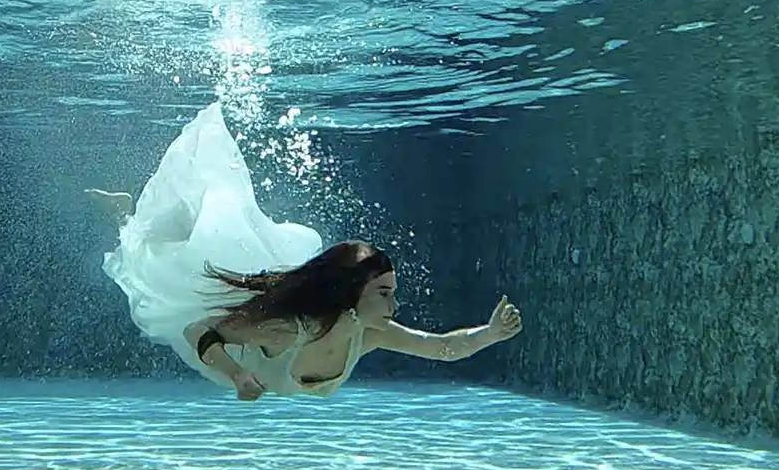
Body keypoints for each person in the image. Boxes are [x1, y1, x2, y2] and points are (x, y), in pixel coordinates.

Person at [92, 102, 523, 399]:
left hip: (261, 359)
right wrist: (238, 375)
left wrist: (489, 334)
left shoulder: (369, 334)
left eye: (391, 291)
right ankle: (125, 216)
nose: (395, 303)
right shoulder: (285, 329)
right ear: (353, 295)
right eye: (384, 293)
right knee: (150, 268)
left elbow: (441, 348)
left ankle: (137, 218)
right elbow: (197, 333)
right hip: (224, 364)